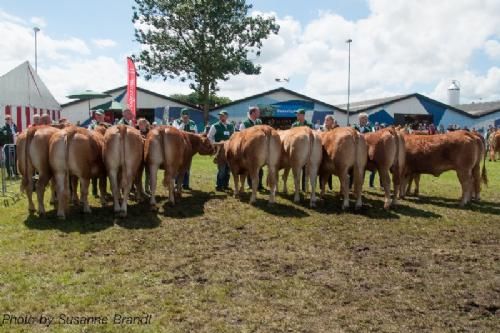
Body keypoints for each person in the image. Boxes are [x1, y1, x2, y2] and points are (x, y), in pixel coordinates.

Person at [208, 110, 234, 191]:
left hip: (229, 150)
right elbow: (209, 137)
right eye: (220, 115)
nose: (221, 117)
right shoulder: (215, 126)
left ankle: (226, 185)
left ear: (227, 116)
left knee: (228, 169)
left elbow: (234, 137)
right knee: (222, 169)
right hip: (220, 150)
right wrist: (215, 144)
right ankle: (219, 185)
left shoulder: (231, 126)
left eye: (223, 115)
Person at [240, 106, 264, 190]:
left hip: (259, 149)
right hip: (248, 150)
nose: (259, 113)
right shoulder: (244, 124)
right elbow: (241, 137)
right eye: (258, 112)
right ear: (253, 113)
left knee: (260, 168)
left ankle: (259, 185)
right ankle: (250, 185)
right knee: (250, 168)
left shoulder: (259, 122)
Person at [173, 108, 197, 190]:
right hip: (178, 147)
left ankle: (186, 184)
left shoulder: (192, 123)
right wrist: (183, 124)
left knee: (187, 166)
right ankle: (176, 183)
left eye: (186, 115)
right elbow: (176, 132)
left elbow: (195, 134)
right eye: (184, 115)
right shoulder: (176, 122)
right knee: (177, 166)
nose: (185, 117)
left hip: (189, 148)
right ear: (181, 115)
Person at [352, 113, 375, 187]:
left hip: (364, 152)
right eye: (363, 118)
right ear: (359, 119)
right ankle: (350, 185)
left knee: (363, 169)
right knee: (351, 169)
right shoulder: (353, 127)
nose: (365, 120)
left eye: (366, 119)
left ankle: (360, 185)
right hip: (353, 151)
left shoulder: (369, 129)